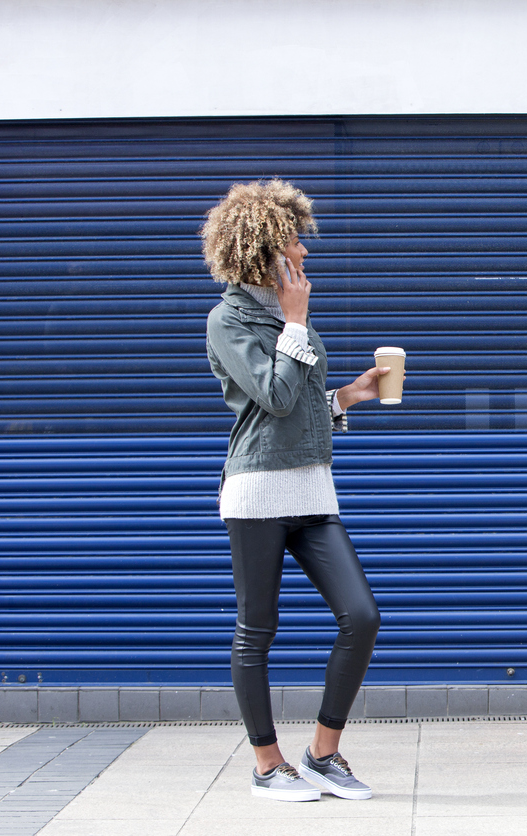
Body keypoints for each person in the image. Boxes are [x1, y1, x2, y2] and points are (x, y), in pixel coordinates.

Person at [201, 179, 389, 802]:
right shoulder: (229, 319)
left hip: (311, 491)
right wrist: (297, 320)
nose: (305, 255)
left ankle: (322, 755)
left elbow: (302, 404)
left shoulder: (284, 311)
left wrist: (349, 397)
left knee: (361, 616)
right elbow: (275, 398)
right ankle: (267, 766)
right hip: (256, 493)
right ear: (263, 250)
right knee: (257, 629)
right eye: (294, 245)